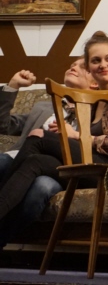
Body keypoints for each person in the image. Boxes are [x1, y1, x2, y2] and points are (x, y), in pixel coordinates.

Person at [0, 31, 108, 226]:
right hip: (87, 164)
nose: (103, 65)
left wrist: (78, 135)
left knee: (39, 138)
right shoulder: (92, 99)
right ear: (91, 67)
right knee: (34, 161)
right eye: (96, 61)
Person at [0, 59, 96, 249]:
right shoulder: (44, 107)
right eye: (72, 64)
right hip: (18, 161)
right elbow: (4, 126)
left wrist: (72, 135)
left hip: (55, 171)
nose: (73, 67)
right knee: (2, 161)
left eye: (83, 67)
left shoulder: (96, 114)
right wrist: (13, 86)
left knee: (42, 188)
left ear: (95, 83)